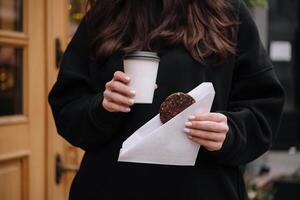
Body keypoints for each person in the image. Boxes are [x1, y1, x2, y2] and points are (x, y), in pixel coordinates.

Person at [48, 0, 285, 199]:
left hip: (204, 189)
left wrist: (230, 131)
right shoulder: (106, 12)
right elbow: (67, 105)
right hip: (111, 188)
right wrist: (101, 108)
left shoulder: (227, 12)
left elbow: (263, 106)